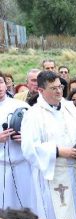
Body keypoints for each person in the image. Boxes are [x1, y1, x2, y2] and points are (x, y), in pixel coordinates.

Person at [21, 71, 76, 219]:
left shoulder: (70, 108)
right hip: (54, 175)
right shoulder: (33, 114)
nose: (58, 91)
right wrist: (57, 151)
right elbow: (29, 148)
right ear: (41, 90)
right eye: (53, 88)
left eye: (60, 86)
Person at [0, 72, 36, 211]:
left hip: (22, 165)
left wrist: (26, 138)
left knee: (26, 207)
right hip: (1, 167)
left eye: (1, 82)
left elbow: (37, 133)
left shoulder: (21, 106)